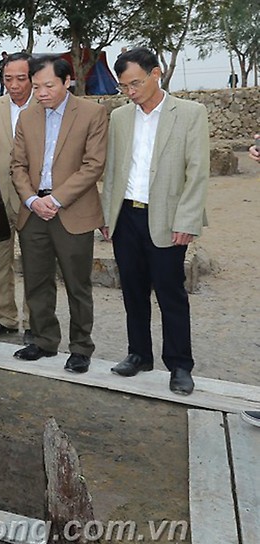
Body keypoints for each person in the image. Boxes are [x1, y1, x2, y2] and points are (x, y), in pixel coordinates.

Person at [101, 48, 210, 395]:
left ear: (156, 74)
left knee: (170, 292)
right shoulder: (120, 117)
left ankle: (180, 365)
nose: (130, 91)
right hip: (126, 217)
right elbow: (112, 170)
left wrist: (187, 220)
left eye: (135, 83)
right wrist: (108, 216)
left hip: (166, 217)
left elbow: (197, 171)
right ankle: (138, 354)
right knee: (132, 290)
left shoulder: (190, 113)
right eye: (124, 86)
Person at [10, 55, 107, 374]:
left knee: (78, 284)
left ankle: (80, 347)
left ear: (67, 81)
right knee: (36, 280)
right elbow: (18, 165)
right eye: (36, 86)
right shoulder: (27, 116)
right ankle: (43, 340)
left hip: (73, 211)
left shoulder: (91, 113)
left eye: (49, 86)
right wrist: (30, 199)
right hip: (33, 212)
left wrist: (57, 199)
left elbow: (93, 165)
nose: (41, 93)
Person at [0, 52, 32, 341]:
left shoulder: (45, 105)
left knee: (35, 264)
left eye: (21, 79)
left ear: (32, 78)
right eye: (8, 79)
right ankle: (4, 317)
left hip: (34, 201)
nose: (14, 85)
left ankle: (34, 321)